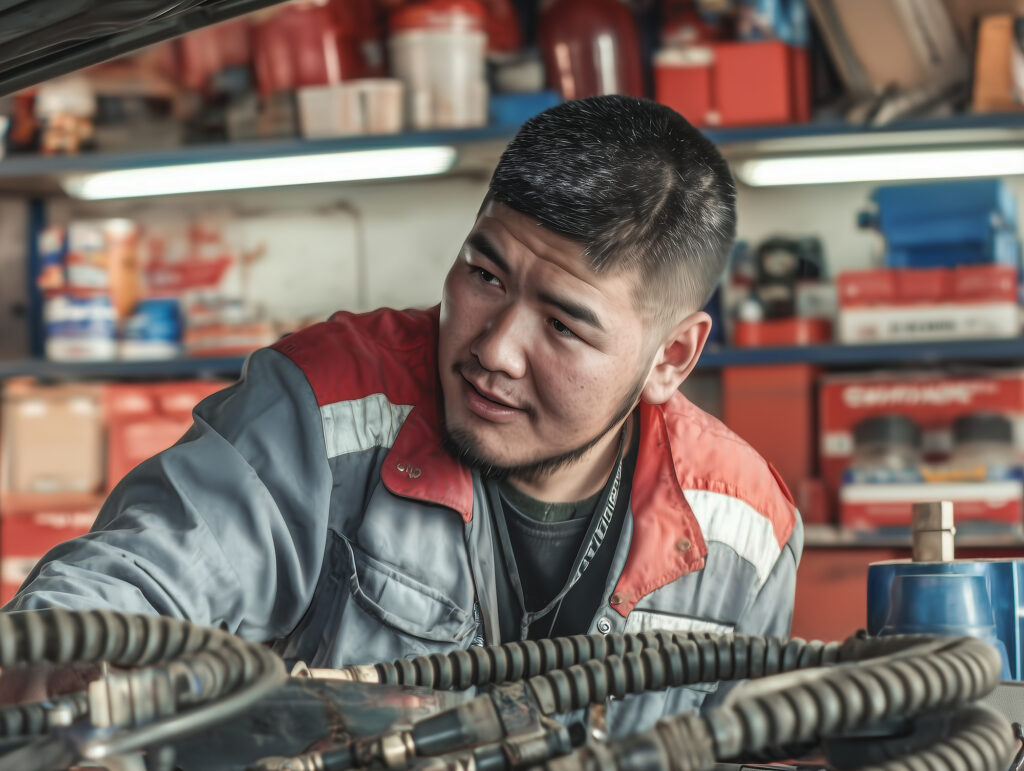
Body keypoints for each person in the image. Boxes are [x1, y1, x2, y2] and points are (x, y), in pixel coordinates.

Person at [5, 95, 802, 734]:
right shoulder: (322, 408)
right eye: (484, 273)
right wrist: (69, 659)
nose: (495, 348)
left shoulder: (745, 529)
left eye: (562, 324)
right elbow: (132, 580)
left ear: (672, 357)